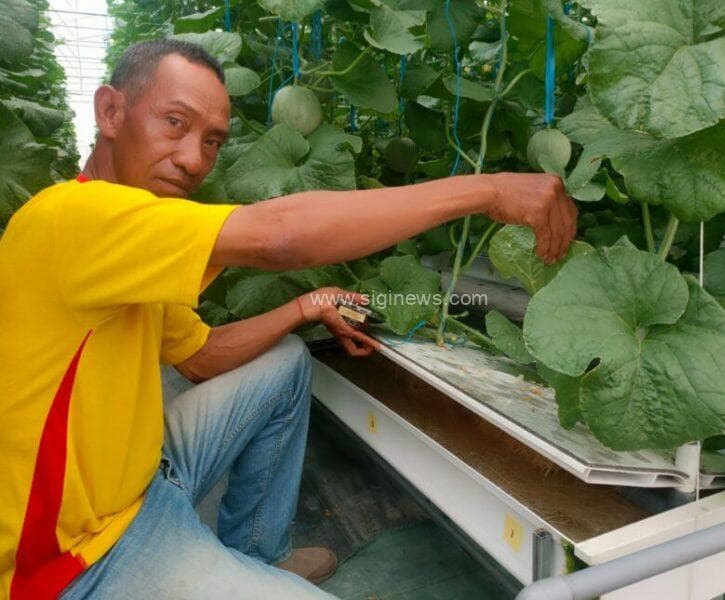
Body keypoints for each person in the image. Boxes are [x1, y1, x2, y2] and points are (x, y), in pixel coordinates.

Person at [0, 39, 576, 600]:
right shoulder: (73, 220)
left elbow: (199, 357)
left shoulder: (136, 243)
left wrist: (308, 306)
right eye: (174, 123)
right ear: (110, 111)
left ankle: (260, 551)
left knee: (284, 361)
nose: (195, 159)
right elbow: (279, 235)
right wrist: (487, 189)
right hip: (81, 557)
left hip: (143, 481)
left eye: (213, 141)